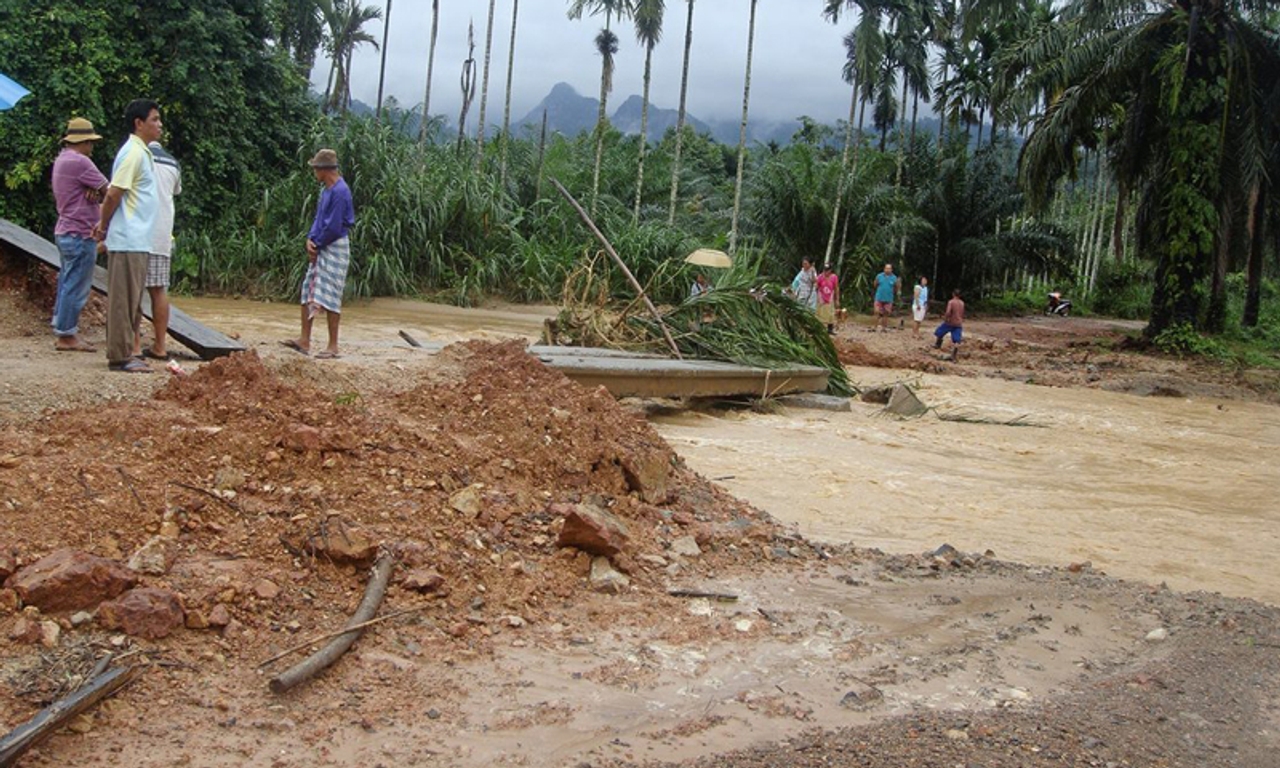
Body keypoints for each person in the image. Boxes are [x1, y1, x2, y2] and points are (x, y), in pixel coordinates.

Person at [93, 100, 163, 374]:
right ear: (139, 123)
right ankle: (119, 356)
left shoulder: (141, 152)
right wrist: (102, 226)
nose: (159, 125)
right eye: (155, 119)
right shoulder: (132, 153)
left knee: (132, 300)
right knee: (123, 299)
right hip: (128, 238)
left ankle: (127, 352)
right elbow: (113, 193)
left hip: (138, 239)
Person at [283, 148, 355, 359]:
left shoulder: (341, 192)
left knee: (331, 294)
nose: (314, 172)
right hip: (322, 244)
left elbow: (333, 227)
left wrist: (318, 244)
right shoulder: (327, 190)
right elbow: (319, 219)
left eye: (316, 168)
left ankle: (333, 346)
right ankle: (305, 340)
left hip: (334, 245)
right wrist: (310, 239)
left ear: (324, 170)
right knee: (309, 290)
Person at [50, 117, 109, 353]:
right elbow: (110, 189)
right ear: (83, 142)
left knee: (67, 280)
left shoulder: (62, 159)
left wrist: (90, 191)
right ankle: (66, 335)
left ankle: (62, 326)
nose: (92, 148)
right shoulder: (80, 162)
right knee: (77, 284)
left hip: (65, 229)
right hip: (80, 231)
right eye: (90, 143)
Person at [133, 140, 181, 360]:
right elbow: (175, 191)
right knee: (158, 290)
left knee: (135, 290)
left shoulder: (136, 156)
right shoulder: (173, 163)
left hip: (137, 233)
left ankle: (134, 345)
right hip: (162, 234)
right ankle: (160, 346)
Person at [933, 288, 965, 361]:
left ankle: (938, 344)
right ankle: (953, 355)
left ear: (953, 294)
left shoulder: (951, 302)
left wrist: (946, 318)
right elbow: (962, 313)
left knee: (939, 332)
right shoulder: (962, 303)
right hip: (958, 323)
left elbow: (948, 312)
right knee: (957, 340)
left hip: (950, 322)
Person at [872, 262, 899, 331]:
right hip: (879, 297)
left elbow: (896, 287)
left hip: (888, 298)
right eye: (886, 268)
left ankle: (884, 328)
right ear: (884, 269)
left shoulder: (894, 277)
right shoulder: (879, 276)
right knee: (877, 312)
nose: (888, 270)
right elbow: (875, 285)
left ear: (891, 270)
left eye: (889, 268)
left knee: (886, 313)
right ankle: (875, 327)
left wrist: (893, 293)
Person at [815, 263, 839, 334]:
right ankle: (818, 329)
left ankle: (830, 329)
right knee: (820, 314)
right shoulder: (820, 277)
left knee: (831, 313)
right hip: (821, 297)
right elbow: (817, 286)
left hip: (830, 296)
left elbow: (836, 288)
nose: (826, 272)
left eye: (827, 270)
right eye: (825, 270)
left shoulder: (834, 277)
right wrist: (818, 295)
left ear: (830, 270)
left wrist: (837, 299)